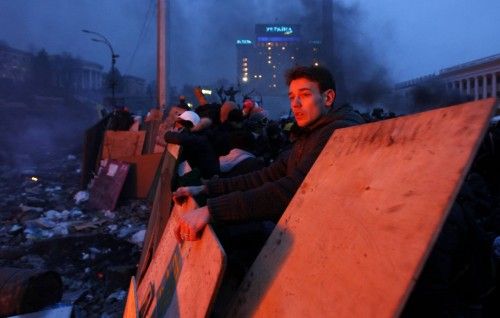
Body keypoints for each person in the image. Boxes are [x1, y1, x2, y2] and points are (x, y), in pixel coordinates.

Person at [173, 65, 365, 241]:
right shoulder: (308, 132)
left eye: (304, 95)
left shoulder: (338, 134)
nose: (295, 104)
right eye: (291, 97)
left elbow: (291, 189)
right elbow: (269, 175)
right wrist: (208, 188)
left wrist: (213, 209)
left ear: (328, 97)